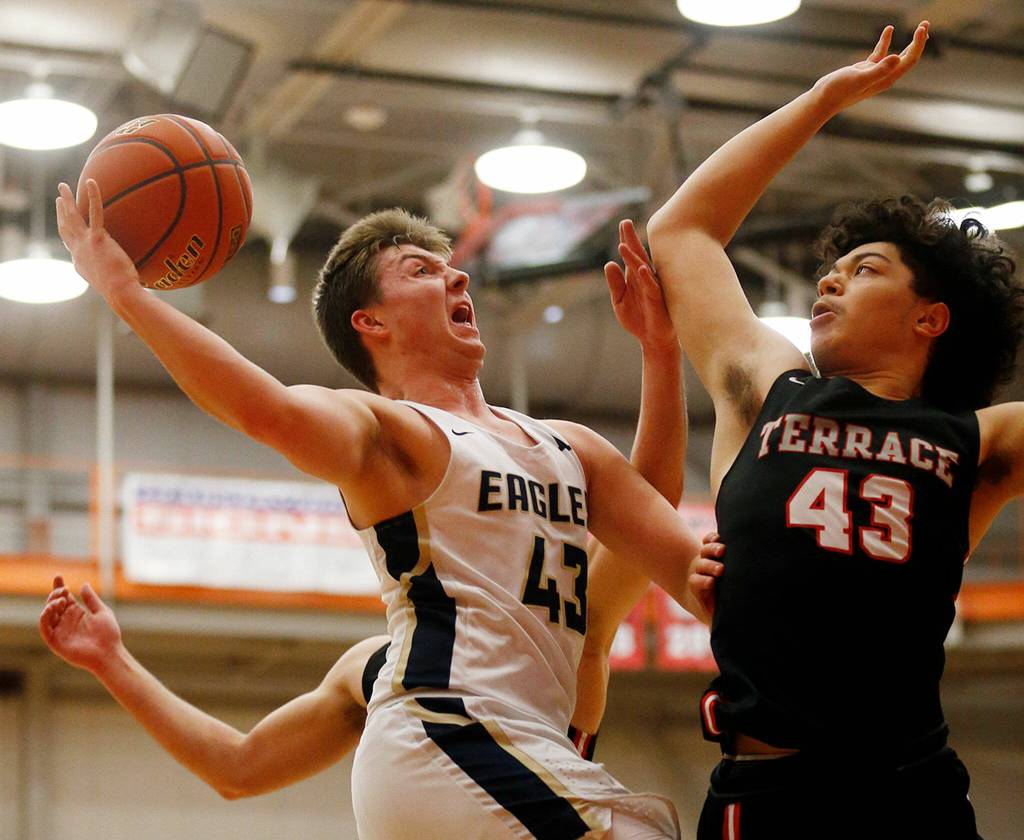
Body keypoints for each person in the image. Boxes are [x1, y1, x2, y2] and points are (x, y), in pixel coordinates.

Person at [55, 186, 714, 838]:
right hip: (444, 735)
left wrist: (660, 351)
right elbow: (270, 412)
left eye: (451, 267)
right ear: (371, 322)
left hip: (514, 764)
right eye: (421, 271)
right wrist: (128, 296)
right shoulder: (390, 430)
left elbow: (657, 530)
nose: (456, 275)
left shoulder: (571, 451)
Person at [640, 19, 1024, 840]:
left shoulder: (980, 443)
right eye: (832, 268)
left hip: (908, 789)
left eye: (865, 269)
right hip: (765, 795)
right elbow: (682, 234)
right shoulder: (765, 388)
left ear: (932, 317)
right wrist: (822, 100)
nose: (830, 278)